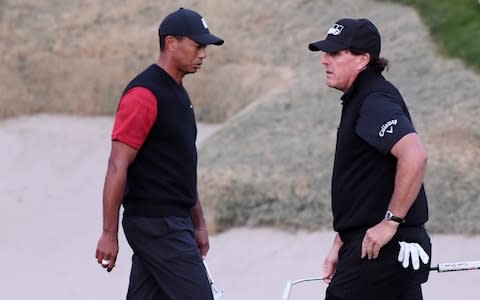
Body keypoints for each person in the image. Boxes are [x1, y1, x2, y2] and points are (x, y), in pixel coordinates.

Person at [95, 7, 223, 300]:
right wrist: (108, 233)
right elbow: (117, 165)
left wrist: (199, 223)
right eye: (197, 45)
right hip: (156, 223)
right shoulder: (144, 94)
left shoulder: (178, 94)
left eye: (205, 47)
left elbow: (180, 168)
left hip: (172, 220)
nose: (203, 54)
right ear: (171, 43)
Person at [308, 18, 431, 300]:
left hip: (382, 247)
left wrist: (390, 222)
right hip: (382, 245)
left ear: (363, 59)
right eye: (325, 53)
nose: (324, 61)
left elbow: (415, 155)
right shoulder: (362, 97)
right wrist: (342, 240)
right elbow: (367, 182)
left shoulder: (373, 99)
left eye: (335, 54)